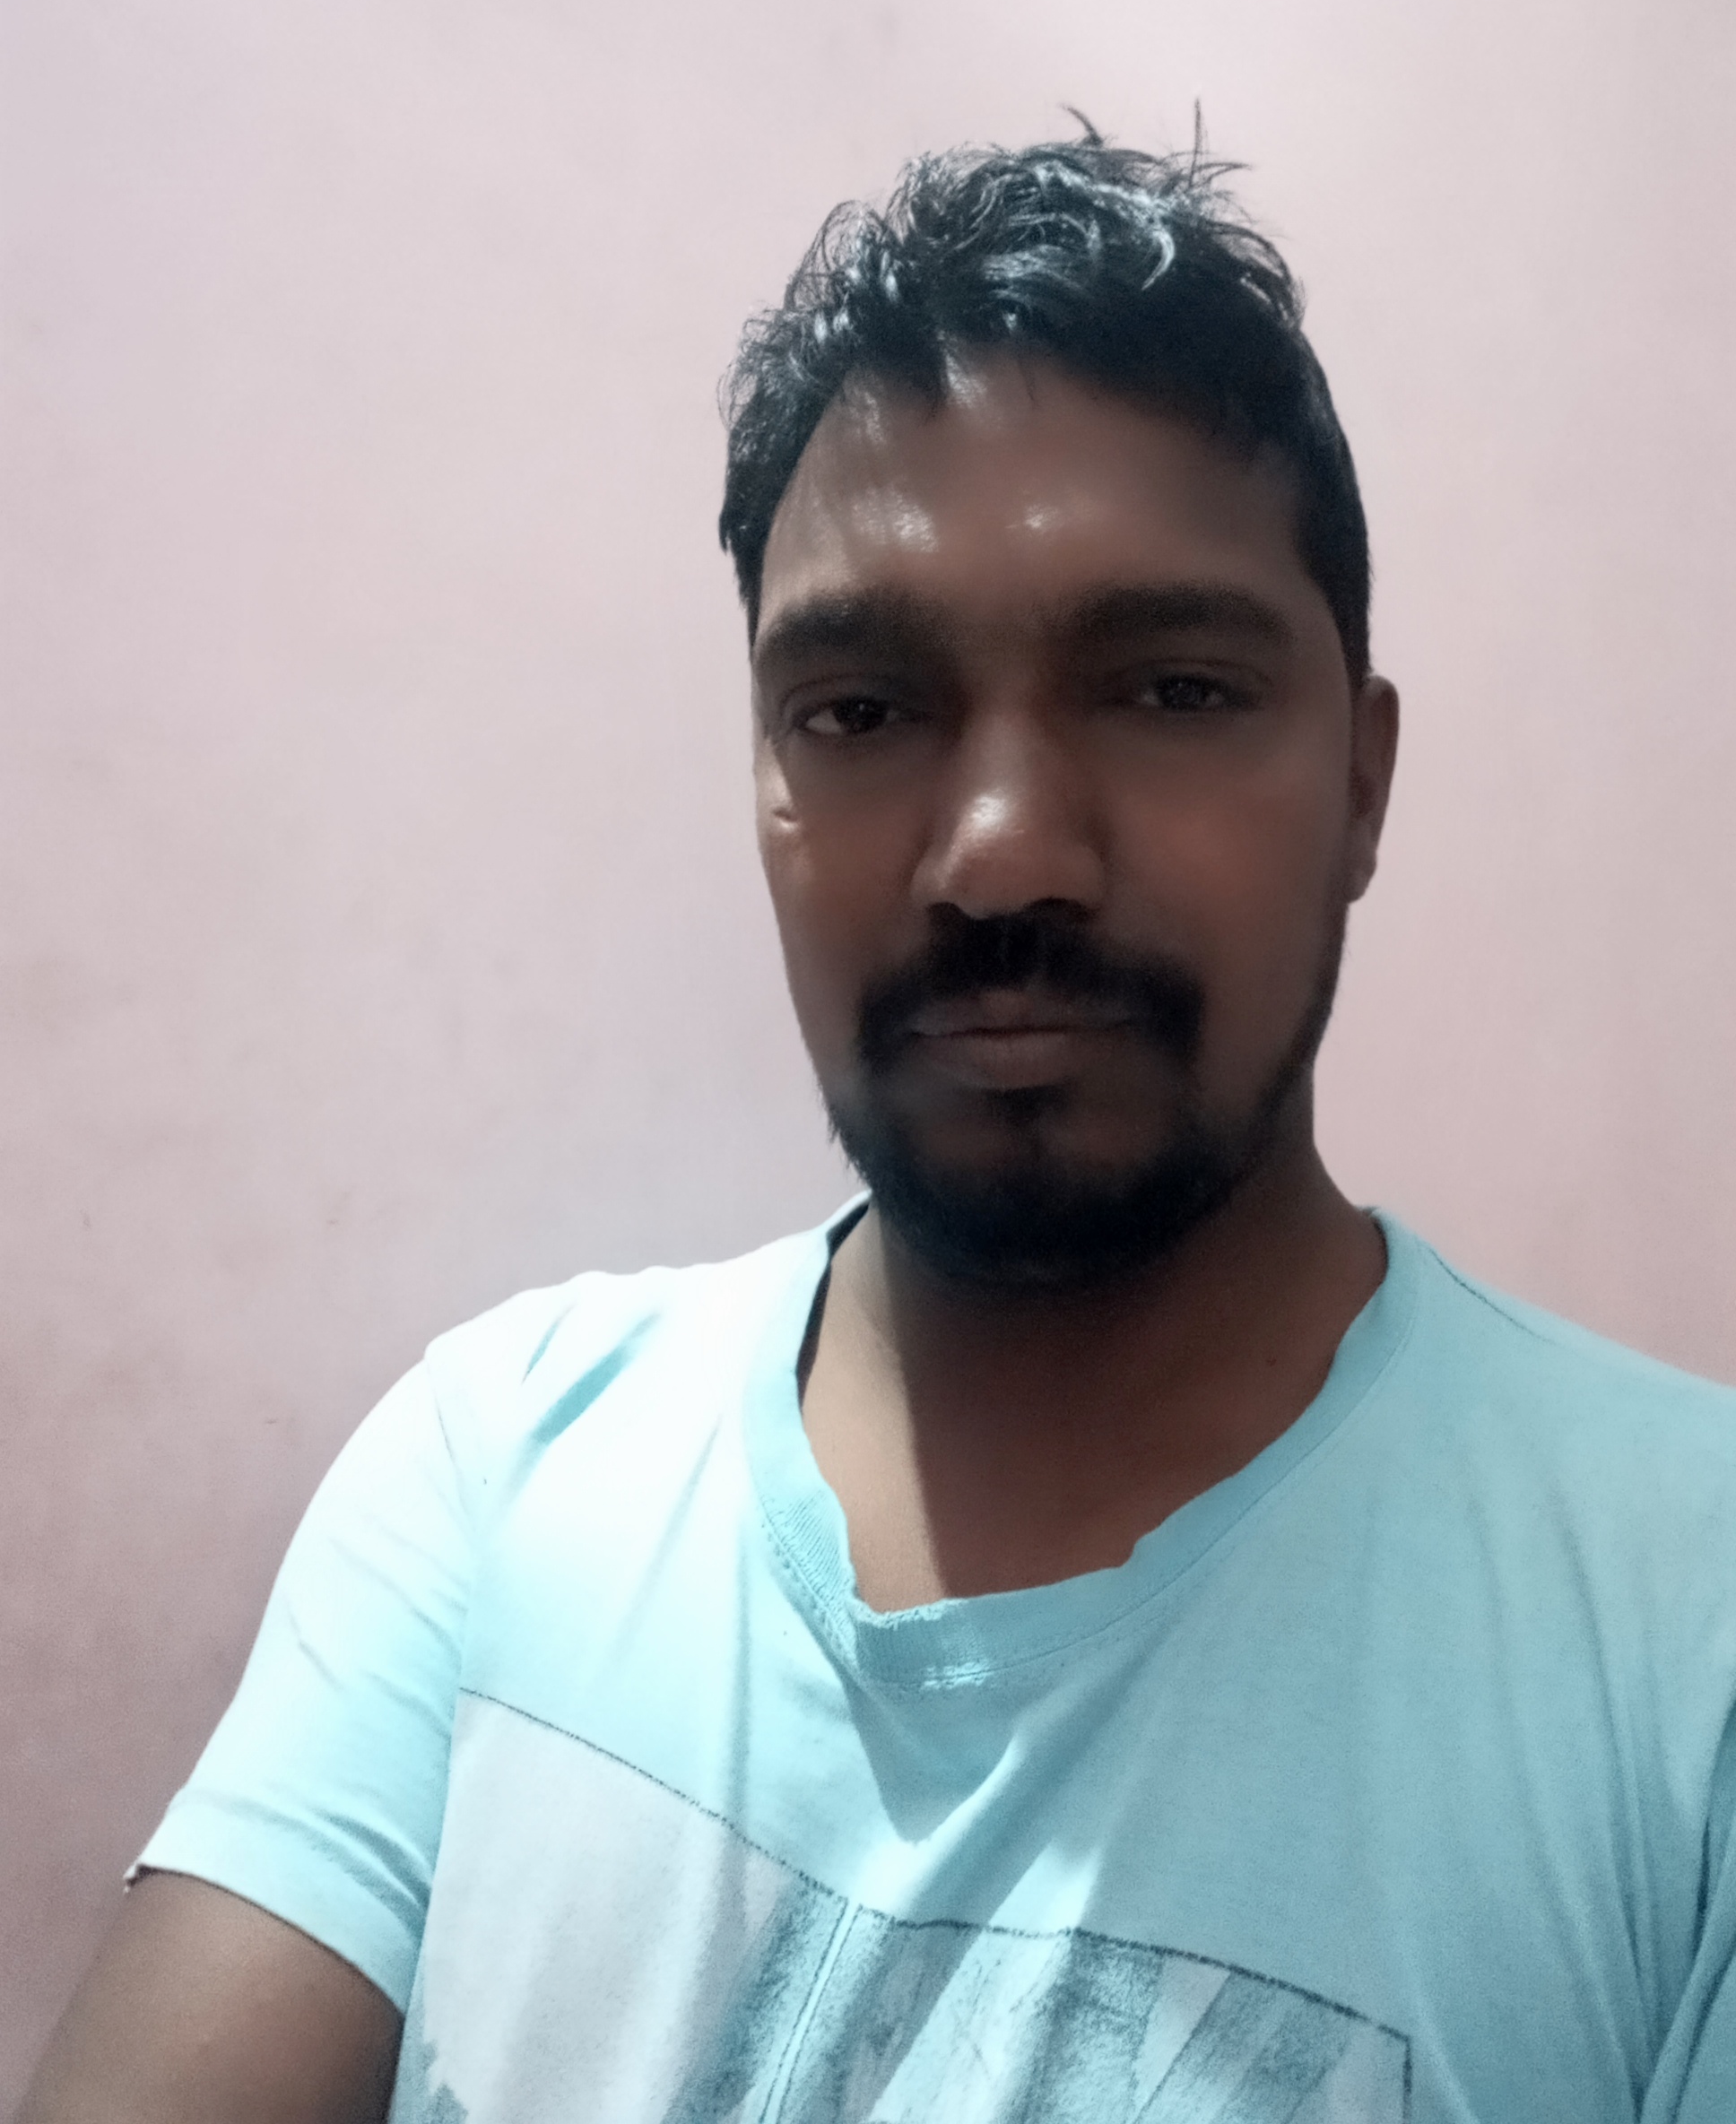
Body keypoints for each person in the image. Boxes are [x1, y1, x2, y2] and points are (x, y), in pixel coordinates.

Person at [20, 130, 1736, 2124]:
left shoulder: (1683, 1639)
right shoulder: (494, 1478)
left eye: (1171, 689)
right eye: (857, 711)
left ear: (1362, 784)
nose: (999, 852)